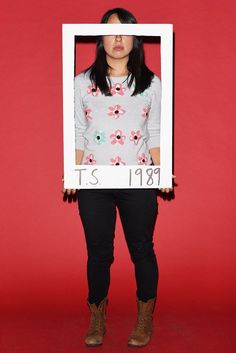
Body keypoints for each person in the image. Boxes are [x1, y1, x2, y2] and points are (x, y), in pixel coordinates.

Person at [63, 7, 173, 347]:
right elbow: (79, 130)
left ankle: (144, 318)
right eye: (111, 32)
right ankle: (97, 317)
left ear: (136, 38)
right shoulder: (81, 83)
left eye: (125, 32)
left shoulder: (152, 84)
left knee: (141, 249)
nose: (118, 39)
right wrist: (72, 169)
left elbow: (155, 132)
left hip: (137, 180)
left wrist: (162, 168)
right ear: (101, 38)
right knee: (98, 252)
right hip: (94, 182)